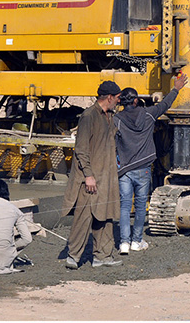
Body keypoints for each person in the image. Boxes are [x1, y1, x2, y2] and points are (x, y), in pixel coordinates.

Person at [115, 73, 188, 254]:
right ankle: (136, 241)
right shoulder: (148, 114)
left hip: (124, 170)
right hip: (143, 169)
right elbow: (165, 105)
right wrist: (176, 88)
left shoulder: (116, 120)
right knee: (140, 206)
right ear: (136, 100)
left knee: (124, 206)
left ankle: (123, 243)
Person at [61, 80, 123, 269]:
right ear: (110, 97)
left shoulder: (109, 116)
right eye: (117, 98)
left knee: (105, 217)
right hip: (91, 179)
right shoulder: (89, 116)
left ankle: (102, 256)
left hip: (107, 178)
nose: (118, 102)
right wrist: (88, 175)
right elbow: (81, 149)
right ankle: (73, 256)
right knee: (84, 217)